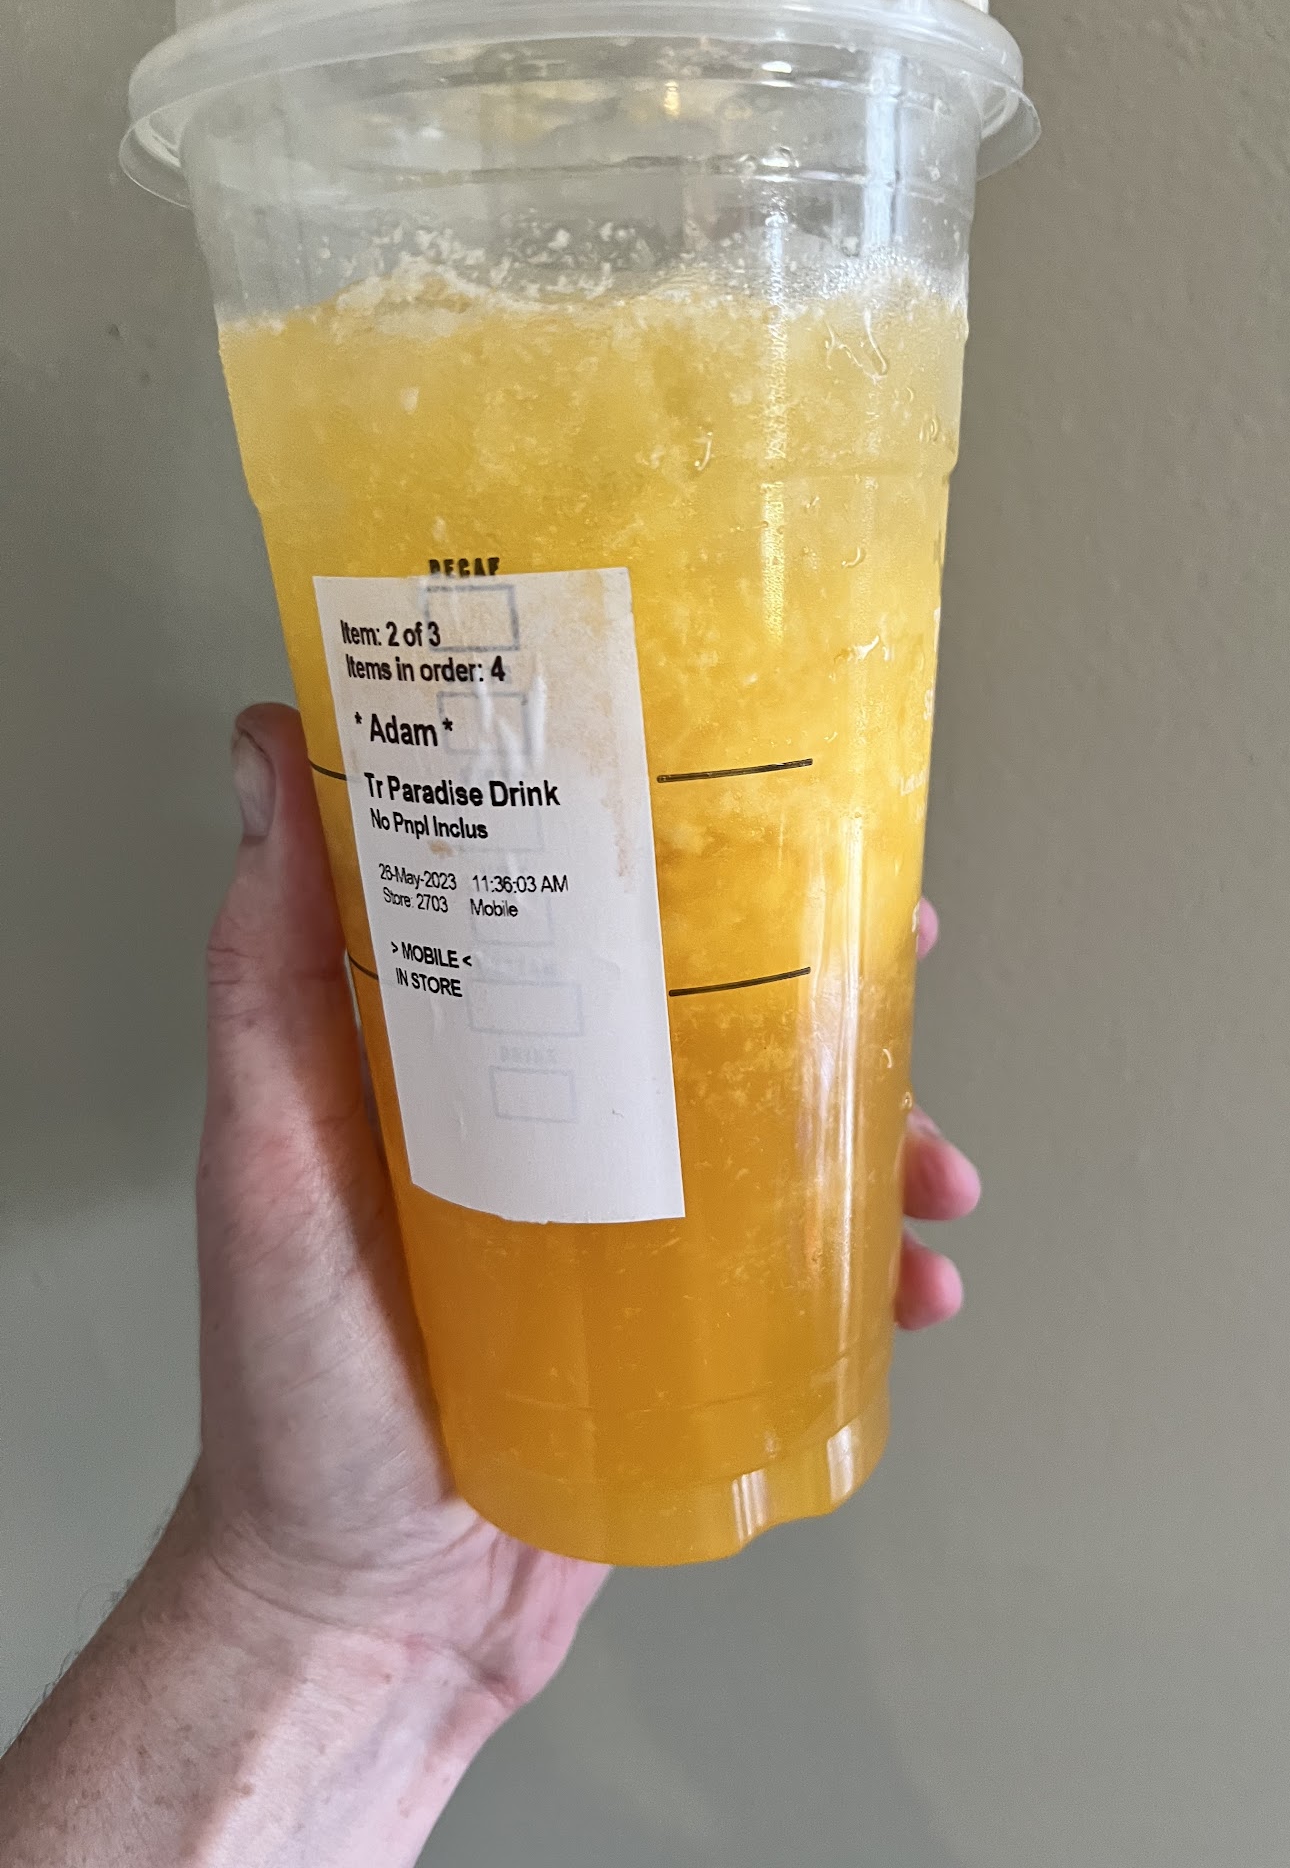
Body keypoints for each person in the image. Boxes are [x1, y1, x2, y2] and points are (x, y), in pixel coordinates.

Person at [0, 704, 983, 1867]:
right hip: (462, 1437)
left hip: (765, 1368)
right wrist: (298, 1602)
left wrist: (299, 1617)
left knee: (815, 999)